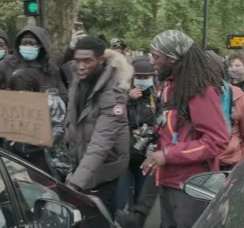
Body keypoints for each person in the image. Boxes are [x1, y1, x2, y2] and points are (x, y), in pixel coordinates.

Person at [141, 30, 229, 228]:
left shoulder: (200, 90)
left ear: (172, 59)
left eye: (156, 57)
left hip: (192, 187)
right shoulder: (170, 86)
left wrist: (167, 154)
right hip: (169, 181)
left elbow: (217, 140)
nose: (152, 62)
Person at [65, 36, 133, 217]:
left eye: (87, 61)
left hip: (105, 170)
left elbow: (101, 142)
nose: (80, 66)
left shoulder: (114, 93)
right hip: (81, 164)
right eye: (77, 60)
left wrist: (75, 183)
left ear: (100, 61)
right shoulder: (77, 80)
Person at [0, 25, 68, 102]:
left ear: (40, 45)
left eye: (31, 43)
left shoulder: (50, 69)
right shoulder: (9, 62)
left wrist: (45, 98)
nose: (27, 46)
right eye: (24, 43)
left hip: (41, 119)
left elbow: (64, 98)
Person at [114, 56, 157, 212]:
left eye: (146, 77)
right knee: (120, 201)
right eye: (139, 77)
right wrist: (127, 99)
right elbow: (112, 116)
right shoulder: (120, 93)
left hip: (146, 156)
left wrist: (149, 131)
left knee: (142, 201)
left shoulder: (157, 97)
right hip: (124, 155)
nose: (143, 81)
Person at [7, 68, 68, 178]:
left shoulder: (51, 103)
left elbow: (59, 127)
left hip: (42, 156)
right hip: (19, 154)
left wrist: (50, 138)